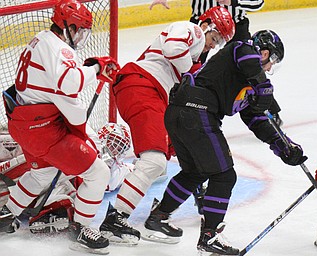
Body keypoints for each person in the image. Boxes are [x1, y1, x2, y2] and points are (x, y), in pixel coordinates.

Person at [142, 29, 307, 255]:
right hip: (196, 112)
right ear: (265, 52)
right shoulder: (244, 51)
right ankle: (210, 236)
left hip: (181, 113)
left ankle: (158, 216)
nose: (269, 69)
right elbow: (243, 49)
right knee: (224, 175)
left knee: (195, 172)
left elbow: (256, 120)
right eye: (272, 62)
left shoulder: (248, 82)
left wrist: (284, 147)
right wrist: (262, 83)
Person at [98, 6, 235, 245]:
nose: (213, 45)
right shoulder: (191, 29)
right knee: (154, 161)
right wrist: (192, 73)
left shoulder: (194, 55)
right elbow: (173, 48)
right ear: (207, 25)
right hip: (142, 87)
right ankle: (115, 218)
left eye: (218, 42)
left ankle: (162, 212)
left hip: (151, 94)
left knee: (178, 152)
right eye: (215, 38)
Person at [0, 0, 119, 254]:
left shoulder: (41, 39)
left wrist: (91, 70)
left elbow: (61, 85)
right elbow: (70, 84)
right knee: (98, 173)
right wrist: (96, 68)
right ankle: (83, 229)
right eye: (81, 30)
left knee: (42, 173)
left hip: (22, 124)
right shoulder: (59, 50)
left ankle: (6, 213)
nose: (82, 36)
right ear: (69, 26)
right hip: (43, 131)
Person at [0, 123, 133, 234]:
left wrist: (134, 168)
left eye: (119, 148)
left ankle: (52, 214)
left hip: (53, 184)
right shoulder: (89, 137)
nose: (114, 149)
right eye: (114, 143)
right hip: (38, 169)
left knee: (68, 195)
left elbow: (119, 175)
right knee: (37, 167)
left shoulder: (112, 169)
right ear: (104, 135)